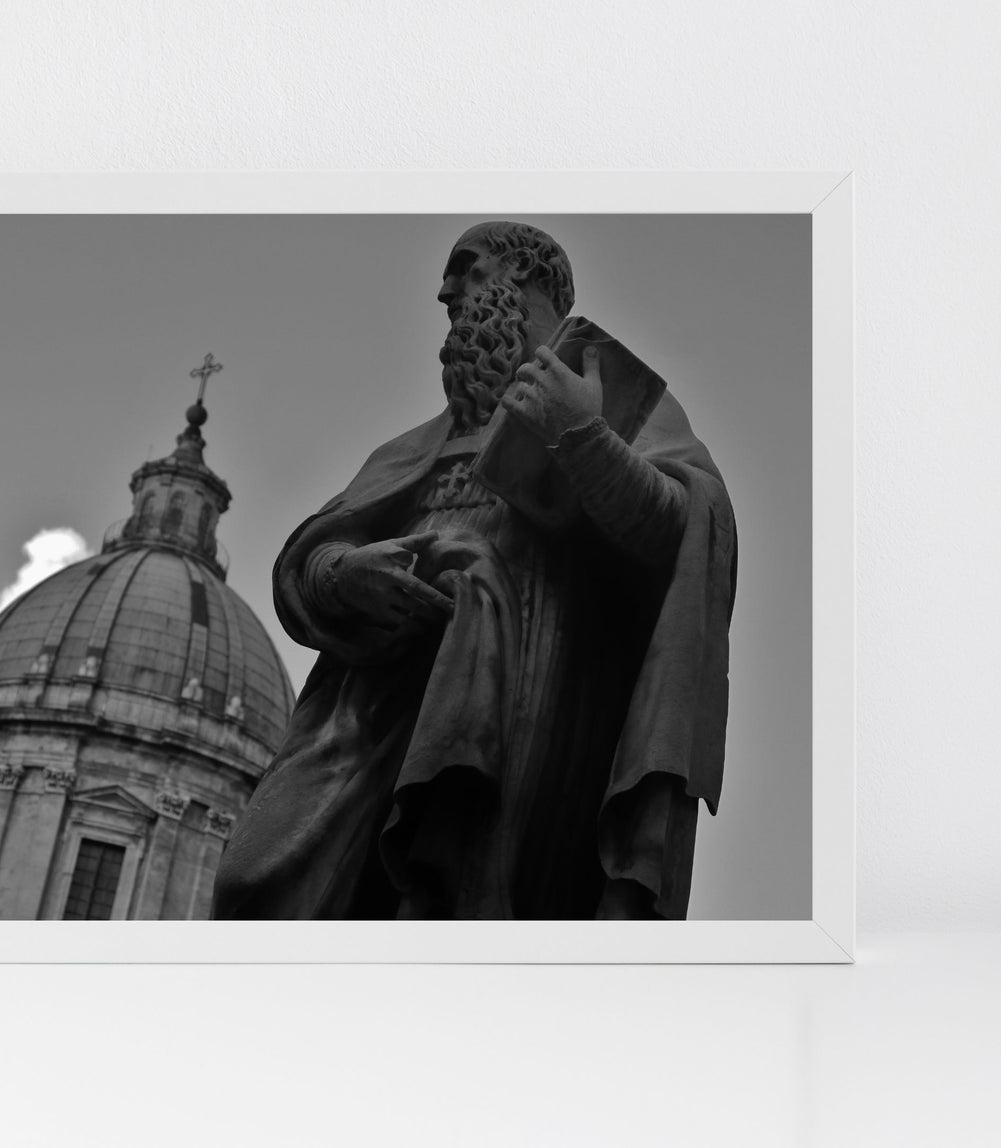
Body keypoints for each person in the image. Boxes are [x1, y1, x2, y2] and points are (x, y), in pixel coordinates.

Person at [212, 221, 737, 920]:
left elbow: (685, 533)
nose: (444, 291)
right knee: (249, 881)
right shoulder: (414, 444)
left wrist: (581, 436)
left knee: (451, 905)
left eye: (466, 268)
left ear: (522, 275)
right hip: (365, 710)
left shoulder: (609, 396)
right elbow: (310, 558)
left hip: (529, 698)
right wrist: (344, 573)